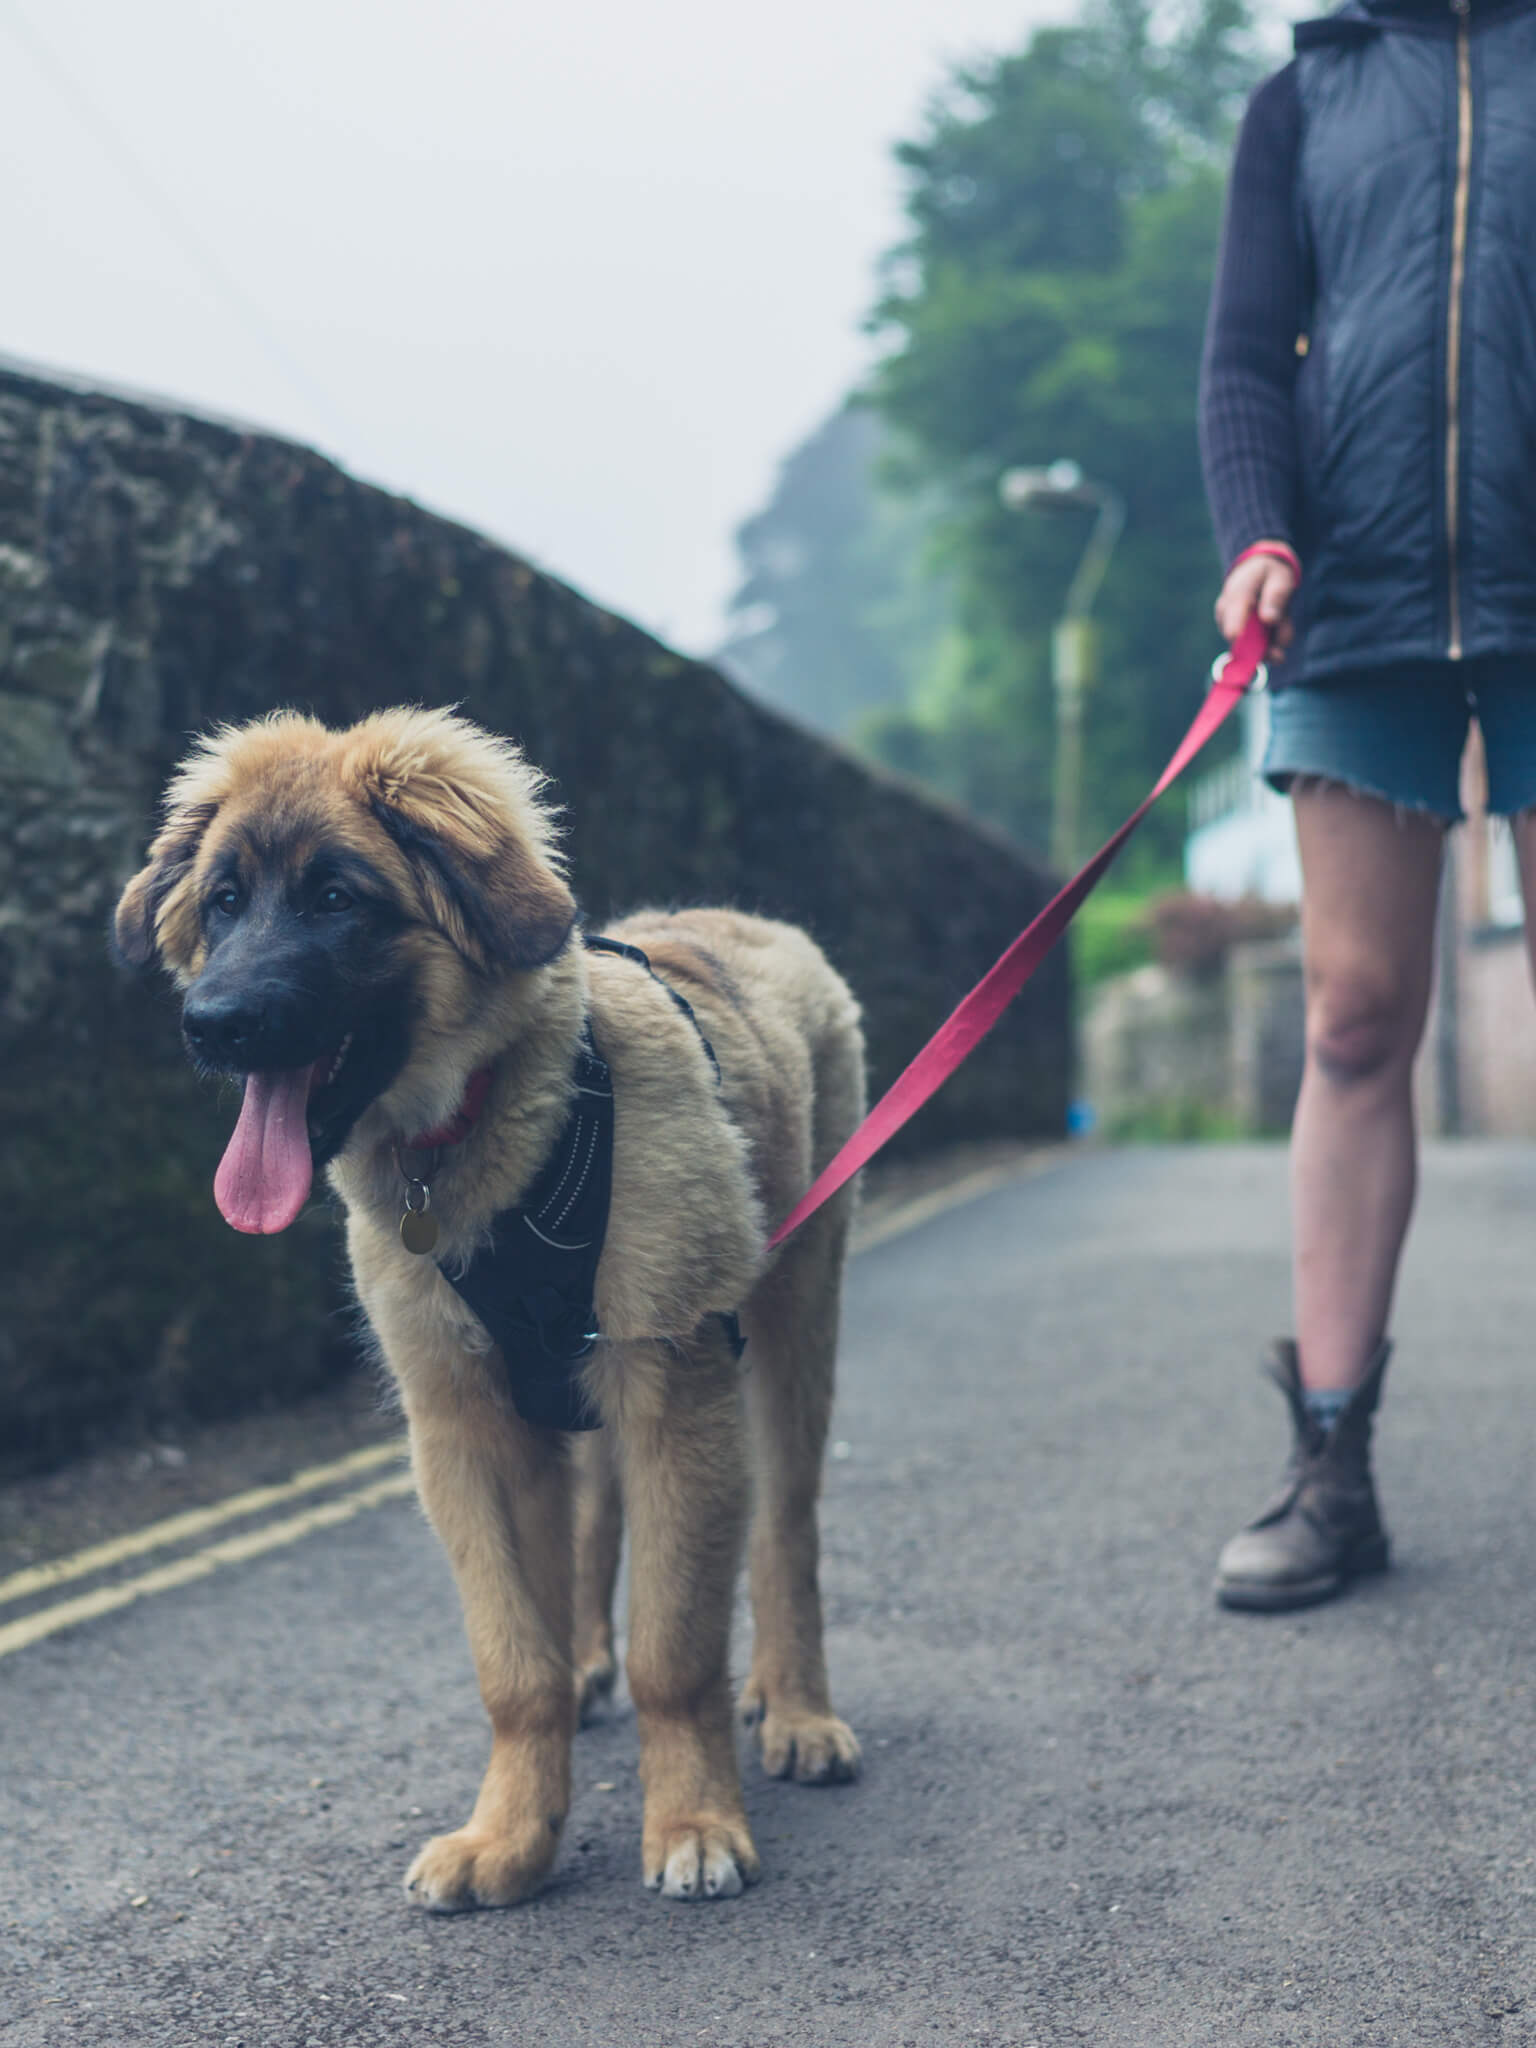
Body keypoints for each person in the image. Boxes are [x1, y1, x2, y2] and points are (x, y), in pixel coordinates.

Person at [1199, 0, 1536, 1610]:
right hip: (1357, 605)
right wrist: (1258, 530)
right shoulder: (1305, 99)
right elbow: (1248, 358)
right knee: (1353, 1017)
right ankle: (1332, 1466)